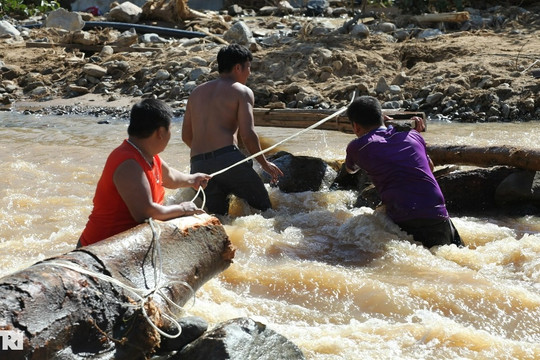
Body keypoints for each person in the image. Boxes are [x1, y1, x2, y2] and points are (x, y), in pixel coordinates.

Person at [78, 99, 211, 247]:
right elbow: (146, 212)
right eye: (170, 129)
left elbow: (171, 177)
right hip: (98, 249)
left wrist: (193, 179)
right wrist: (183, 209)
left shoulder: (147, 155)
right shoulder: (128, 163)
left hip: (125, 245)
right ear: (160, 132)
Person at [345, 95, 463, 248]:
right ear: (381, 116)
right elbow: (431, 167)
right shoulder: (413, 135)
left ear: (355, 127)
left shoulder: (357, 147)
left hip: (403, 217)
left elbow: (350, 170)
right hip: (436, 213)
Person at [181, 43, 283, 215]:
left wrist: (208, 157)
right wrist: (264, 164)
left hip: (198, 164)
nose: (249, 73)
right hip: (228, 160)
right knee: (266, 212)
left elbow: (185, 136)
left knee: (219, 218)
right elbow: (248, 134)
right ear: (238, 67)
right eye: (248, 68)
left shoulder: (196, 93)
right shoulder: (241, 91)